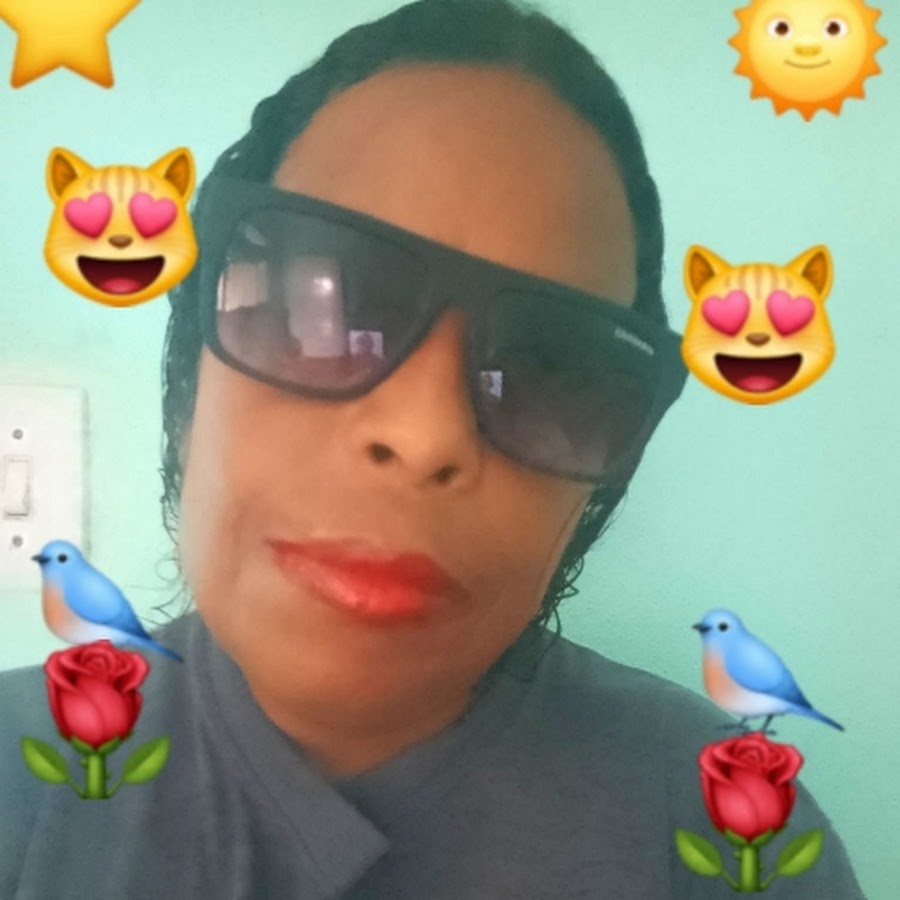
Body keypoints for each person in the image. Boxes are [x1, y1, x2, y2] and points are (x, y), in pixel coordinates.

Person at [0, 1, 864, 897]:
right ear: (190, 377)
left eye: (550, 368)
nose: (425, 435)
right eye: (326, 304)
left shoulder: (736, 831)